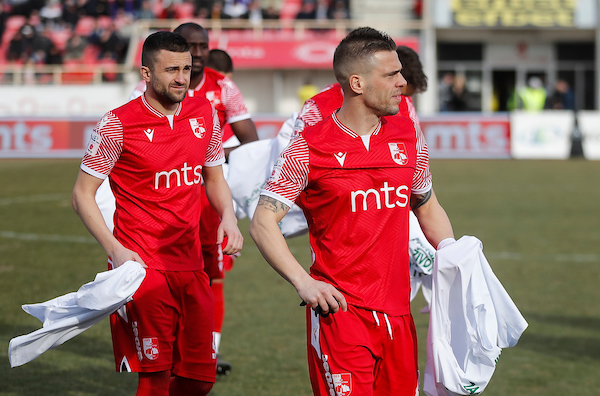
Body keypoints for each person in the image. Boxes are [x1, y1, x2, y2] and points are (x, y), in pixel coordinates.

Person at [249, 27, 455, 395]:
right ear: (357, 83)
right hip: (341, 317)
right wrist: (303, 282)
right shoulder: (307, 149)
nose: (403, 82)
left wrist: (455, 255)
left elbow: (427, 206)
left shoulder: (408, 137)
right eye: (391, 74)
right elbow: (263, 221)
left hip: (399, 317)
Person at [72, 31, 243, 396]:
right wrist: (115, 249)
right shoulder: (117, 124)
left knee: (200, 379)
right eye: (170, 70)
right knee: (155, 376)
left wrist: (228, 216)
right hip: (143, 266)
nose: (181, 78)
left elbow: (214, 178)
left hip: (192, 263)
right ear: (147, 74)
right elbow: (82, 195)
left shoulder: (204, 113)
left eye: (185, 68)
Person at [129, 22, 258, 375]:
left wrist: (208, 156)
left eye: (202, 47)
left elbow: (251, 140)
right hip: (165, 197)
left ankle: (206, 351)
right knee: (163, 275)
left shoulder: (222, 87)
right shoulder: (142, 95)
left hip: (208, 195)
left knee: (211, 276)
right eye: (190, 47)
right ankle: (164, 350)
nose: (198, 54)